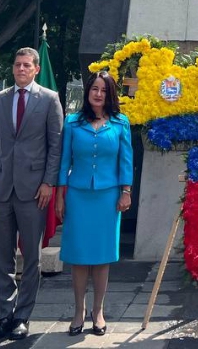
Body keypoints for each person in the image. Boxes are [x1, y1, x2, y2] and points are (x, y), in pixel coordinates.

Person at [0, 48, 63, 341]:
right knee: (1, 256)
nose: (21, 69)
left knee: (31, 257)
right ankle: (4, 315)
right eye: (17, 65)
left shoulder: (49, 100)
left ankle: (23, 316)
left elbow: (56, 146)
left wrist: (48, 183)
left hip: (33, 191)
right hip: (1, 189)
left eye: (27, 65)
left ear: (36, 69)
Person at [55, 73, 133, 335]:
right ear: (88, 91)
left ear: (110, 95)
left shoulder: (121, 123)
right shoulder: (73, 123)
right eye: (94, 89)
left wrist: (126, 191)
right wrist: (59, 197)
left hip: (108, 197)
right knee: (78, 257)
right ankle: (78, 310)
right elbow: (64, 162)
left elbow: (126, 161)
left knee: (101, 257)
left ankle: (98, 311)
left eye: (104, 90)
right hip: (78, 195)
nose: (98, 94)